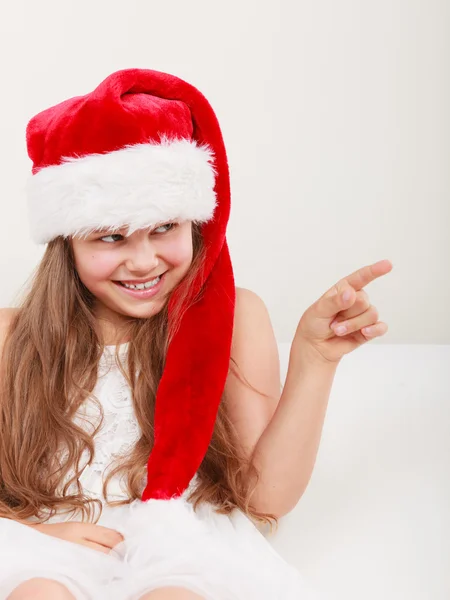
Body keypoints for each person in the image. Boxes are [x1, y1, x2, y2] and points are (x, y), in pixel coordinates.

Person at [0, 68, 392, 600]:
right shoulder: (11, 336)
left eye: (164, 227)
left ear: (196, 222)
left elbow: (265, 498)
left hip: (179, 546)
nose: (144, 261)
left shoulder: (235, 319)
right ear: (65, 241)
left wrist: (314, 361)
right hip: (47, 544)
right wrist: (39, 535)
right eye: (111, 236)